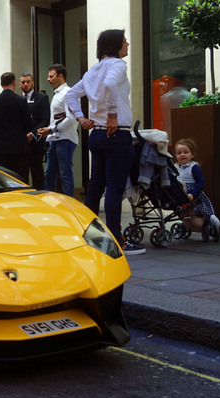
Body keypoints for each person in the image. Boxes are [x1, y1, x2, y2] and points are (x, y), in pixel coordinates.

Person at [65, 29, 146, 255]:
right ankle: (116, 240)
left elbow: (71, 95)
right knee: (114, 188)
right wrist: (112, 114)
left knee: (95, 187)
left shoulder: (93, 70)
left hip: (97, 135)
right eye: (125, 41)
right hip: (116, 133)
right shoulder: (118, 65)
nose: (128, 44)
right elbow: (111, 85)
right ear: (117, 45)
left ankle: (89, 235)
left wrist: (81, 118)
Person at [0, 72, 32, 181]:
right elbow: (29, 125)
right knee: (19, 181)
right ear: (14, 83)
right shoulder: (21, 101)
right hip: (18, 150)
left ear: (1, 84)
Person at [38, 64, 78, 197]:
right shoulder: (58, 94)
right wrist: (51, 130)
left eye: (51, 76)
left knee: (65, 173)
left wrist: (50, 129)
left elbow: (72, 118)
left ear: (60, 76)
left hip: (65, 139)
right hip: (56, 139)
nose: (48, 79)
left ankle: (69, 207)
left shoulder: (68, 93)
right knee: (50, 174)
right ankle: (50, 203)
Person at [174, 138, 220, 229]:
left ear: (192, 155)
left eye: (185, 152)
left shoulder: (193, 167)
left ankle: (209, 219)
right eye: (179, 153)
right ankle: (186, 226)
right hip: (181, 194)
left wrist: (193, 194)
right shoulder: (175, 167)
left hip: (193, 195)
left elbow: (200, 182)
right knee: (184, 215)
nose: (182, 155)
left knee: (197, 222)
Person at [19, 73, 50, 189]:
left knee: (37, 174)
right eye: (23, 82)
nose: (25, 84)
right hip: (21, 144)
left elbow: (45, 120)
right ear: (19, 84)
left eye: (28, 81)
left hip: (36, 143)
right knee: (22, 175)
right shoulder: (17, 99)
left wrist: (32, 134)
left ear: (33, 83)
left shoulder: (42, 98)